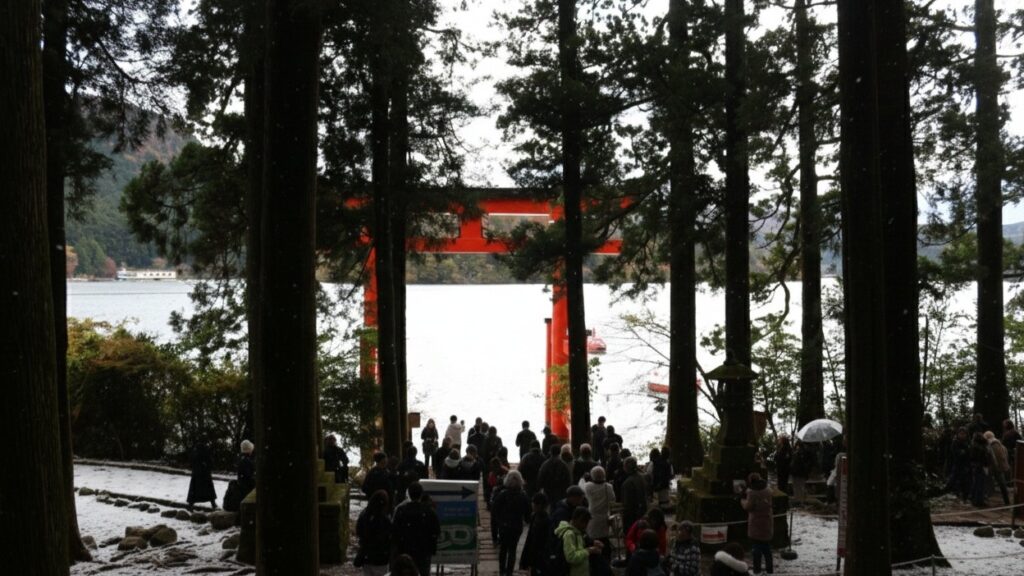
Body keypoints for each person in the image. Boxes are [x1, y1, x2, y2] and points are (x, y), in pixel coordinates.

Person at [391, 482, 440, 576]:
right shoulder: (428, 511)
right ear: (421, 494)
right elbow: (436, 531)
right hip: (423, 551)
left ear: (408, 494)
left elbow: (395, 532)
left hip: (405, 551)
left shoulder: (401, 510)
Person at [491, 471, 531, 576]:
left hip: (504, 526)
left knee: (503, 549)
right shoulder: (523, 496)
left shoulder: (502, 494)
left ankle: (501, 571)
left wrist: (499, 522)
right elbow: (528, 513)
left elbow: (495, 510)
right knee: (513, 550)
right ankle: (509, 572)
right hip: (517, 526)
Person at [554, 506, 603, 576]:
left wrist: (593, 542)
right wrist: (588, 551)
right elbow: (571, 557)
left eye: (587, 522)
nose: (585, 526)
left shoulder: (578, 532)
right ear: (575, 520)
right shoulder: (569, 534)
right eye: (583, 522)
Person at [581, 465, 615, 561]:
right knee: (605, 540)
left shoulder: (588, 486)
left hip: (592, 517)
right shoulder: (608, 487)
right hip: (604, 517)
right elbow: (613, 499)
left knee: (593, 540)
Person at [742, 472, 774, 575]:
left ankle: (757, 570)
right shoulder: (768, 490)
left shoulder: (752, 493)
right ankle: (770, 570)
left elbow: (748, 507)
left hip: (756, 523)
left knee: (756, 549)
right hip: (767, 521)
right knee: (767, 548)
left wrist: (742, 500)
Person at [355, 490, 392, 576]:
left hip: (367, 556)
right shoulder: (384, 520)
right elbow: (388, 537)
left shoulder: (364, 515)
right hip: (381, 558)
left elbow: (359, 531)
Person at [520, 492, 550, 576]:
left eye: (533, 503)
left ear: (539, 505)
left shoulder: (546, 521)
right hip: (533, 554)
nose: (532, 505)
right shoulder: (534, 516)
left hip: (540, 556)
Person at [620, 457, 649, 543]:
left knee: (631, 539)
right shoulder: (642, 477)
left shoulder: (627, 483)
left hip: (632, 516)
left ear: (626, 467)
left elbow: (627, 505)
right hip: (643, 511)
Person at [537, 443, 572, 510]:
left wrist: (540, 487)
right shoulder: (563, 464)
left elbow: (540, 477)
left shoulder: (545, 464)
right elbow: (568, 479)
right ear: (559, 452)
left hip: (548, 490)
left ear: (550, 452)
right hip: (561, 491)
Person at [187, 440, 217, 510]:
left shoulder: (195, 453)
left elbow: (191, 463)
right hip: (204, 475)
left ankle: (190, 505)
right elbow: (210, 463)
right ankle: (213, 503)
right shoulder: (205, 452)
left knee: (194, 492)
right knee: (208, 491)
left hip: (197, 474)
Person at [984, 431, 1011, 505]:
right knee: (1002, 485)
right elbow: (1005, 454)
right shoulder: (1000, 444)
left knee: (989, 482)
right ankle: (1007, 501)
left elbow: (993, 458)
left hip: (995, 467)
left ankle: (987, 498)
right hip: (1001, 467)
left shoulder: (991, 444)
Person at [946, 427, 971, 502]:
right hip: (957, 464)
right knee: (955, 479)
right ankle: (955, 492)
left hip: (965, 464)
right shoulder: (955, 442)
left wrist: (964, 451)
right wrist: (963, 452)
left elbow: (968, 452)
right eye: (961, 434)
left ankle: (964, 496)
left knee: (965, 480)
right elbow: (957, 453)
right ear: (958, 434)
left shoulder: (967, 442)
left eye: (964, 434)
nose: (962, 435)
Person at [969, 432, 990, 507]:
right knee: (980, 484)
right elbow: (983, 458)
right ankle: (979, 501)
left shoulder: (974, 446)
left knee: (976, 484)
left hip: (976, 466)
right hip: (980, 467)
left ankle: (974, 499)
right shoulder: (981, 447)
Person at [790, 439, 814, 506]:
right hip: (801, 473)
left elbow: (795, 463)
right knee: (800, 486)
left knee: (797, 487)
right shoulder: (804, 452)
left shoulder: (798, 453)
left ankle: (799, 500)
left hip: (797, 472)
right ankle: (800, 500)